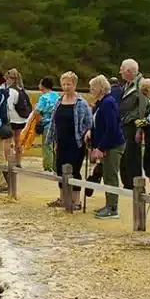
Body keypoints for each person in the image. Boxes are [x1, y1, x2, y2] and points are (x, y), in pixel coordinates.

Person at [45, 71, 92, 210]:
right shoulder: (59, 101)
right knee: (60, 169)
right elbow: (54, 122)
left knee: (74, 170)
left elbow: (88, 123)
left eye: (69, 84)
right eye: (64, 84)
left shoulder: (81, 103)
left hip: (76, 142)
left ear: (74, 85)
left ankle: (76, 201)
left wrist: (87, 133)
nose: (66, 87)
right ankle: (63, 197)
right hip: (61, 140)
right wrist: (53, 140)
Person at [86, 74, 126, 219]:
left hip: (113, 145)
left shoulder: (108, 103)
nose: (90, 90)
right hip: (106, 144)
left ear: (100, 88)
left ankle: (113, 208)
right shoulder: (101, 102)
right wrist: (91, 134)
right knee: (107, 175)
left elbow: (111, 128)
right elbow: (98, 125)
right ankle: (109, 204)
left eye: (92, 87)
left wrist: (100, 148)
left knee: (111, 176)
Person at [117, 59, 149, 189]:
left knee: (132, 156)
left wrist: (140, 129)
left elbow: (143, 108)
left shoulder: (141, 85)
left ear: (129, 71)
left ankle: (135, 185)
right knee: (124, 156)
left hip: (133, 126)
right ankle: (127, 183)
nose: (120, 72)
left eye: (122, 69)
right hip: (124, 125)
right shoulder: (127, 84)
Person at [26, 76, 59, 172]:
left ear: (43, 85)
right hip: (55, 123)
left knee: (47, 146)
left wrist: (38, 122)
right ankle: (55, 166)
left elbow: (37, 111)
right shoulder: (56, 95)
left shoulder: (43, 97)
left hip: (46, 124)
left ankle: (48, 167)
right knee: (54, 146)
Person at [5, 68, 31, 165]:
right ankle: (18, 162)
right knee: (18, 141)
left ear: (10, 79)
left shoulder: (11, 91)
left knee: (8, 142)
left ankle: (9, 162)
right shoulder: (21, 90)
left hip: (12, 119)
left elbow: (9, 106)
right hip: (22, 119)